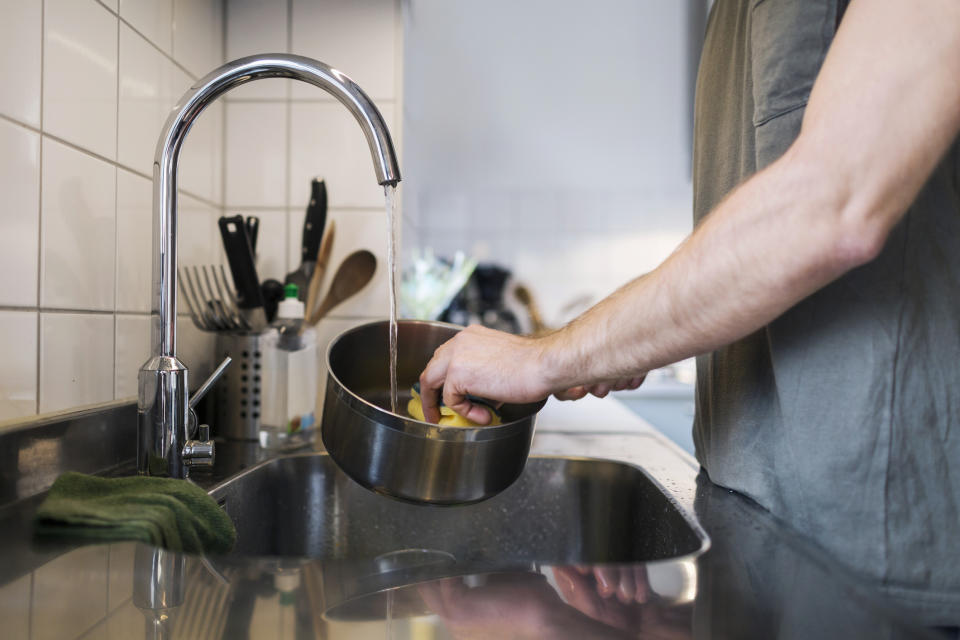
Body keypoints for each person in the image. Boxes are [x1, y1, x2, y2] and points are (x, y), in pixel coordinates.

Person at [418, 0, 960, 614]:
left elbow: (833, 205)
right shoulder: (723, 16)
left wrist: (546, 357)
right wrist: (658, 629)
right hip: (757, 540)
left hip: (886, 570)